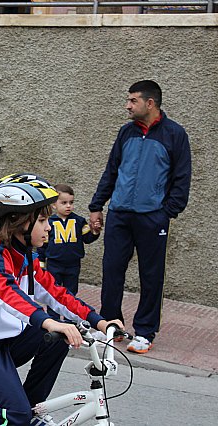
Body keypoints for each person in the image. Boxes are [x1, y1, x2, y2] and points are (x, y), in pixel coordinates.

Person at [0, 173, 123, 426]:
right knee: (15, 416)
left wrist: (99, 322)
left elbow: (56, 293)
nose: (49, 227)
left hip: (4, 343)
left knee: (58, 341)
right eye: (42, 220)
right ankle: (19, 416)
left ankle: (30, 410)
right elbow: (8, 293)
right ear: (19, 222)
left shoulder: (27, 257)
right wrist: (49, 322)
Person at [89, 80, 191, 354]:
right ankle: (112, 326)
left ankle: (145, 332)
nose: (127, 105)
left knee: (151, 275)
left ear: (150, 103)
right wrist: (97, 205)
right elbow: (111, 171)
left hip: (152, 218)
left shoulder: (174, 134)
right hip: (120, 214)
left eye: (133, 100)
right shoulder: (126, 132)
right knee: (111, 271)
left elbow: (182, 179)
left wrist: (166, 212)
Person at [38, 183, 99, 318]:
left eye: (71, 202)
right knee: (53, 291)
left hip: (73, 264)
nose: (68, 206)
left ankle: (70, 318)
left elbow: (87, 238)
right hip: (54, 263)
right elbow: (43, 245)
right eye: (64, 202)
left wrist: (95, 231)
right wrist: (41, 262)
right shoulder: (50, 222)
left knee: (71, 293)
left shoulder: (79, 221)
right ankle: (53, 319)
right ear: (54, 204)